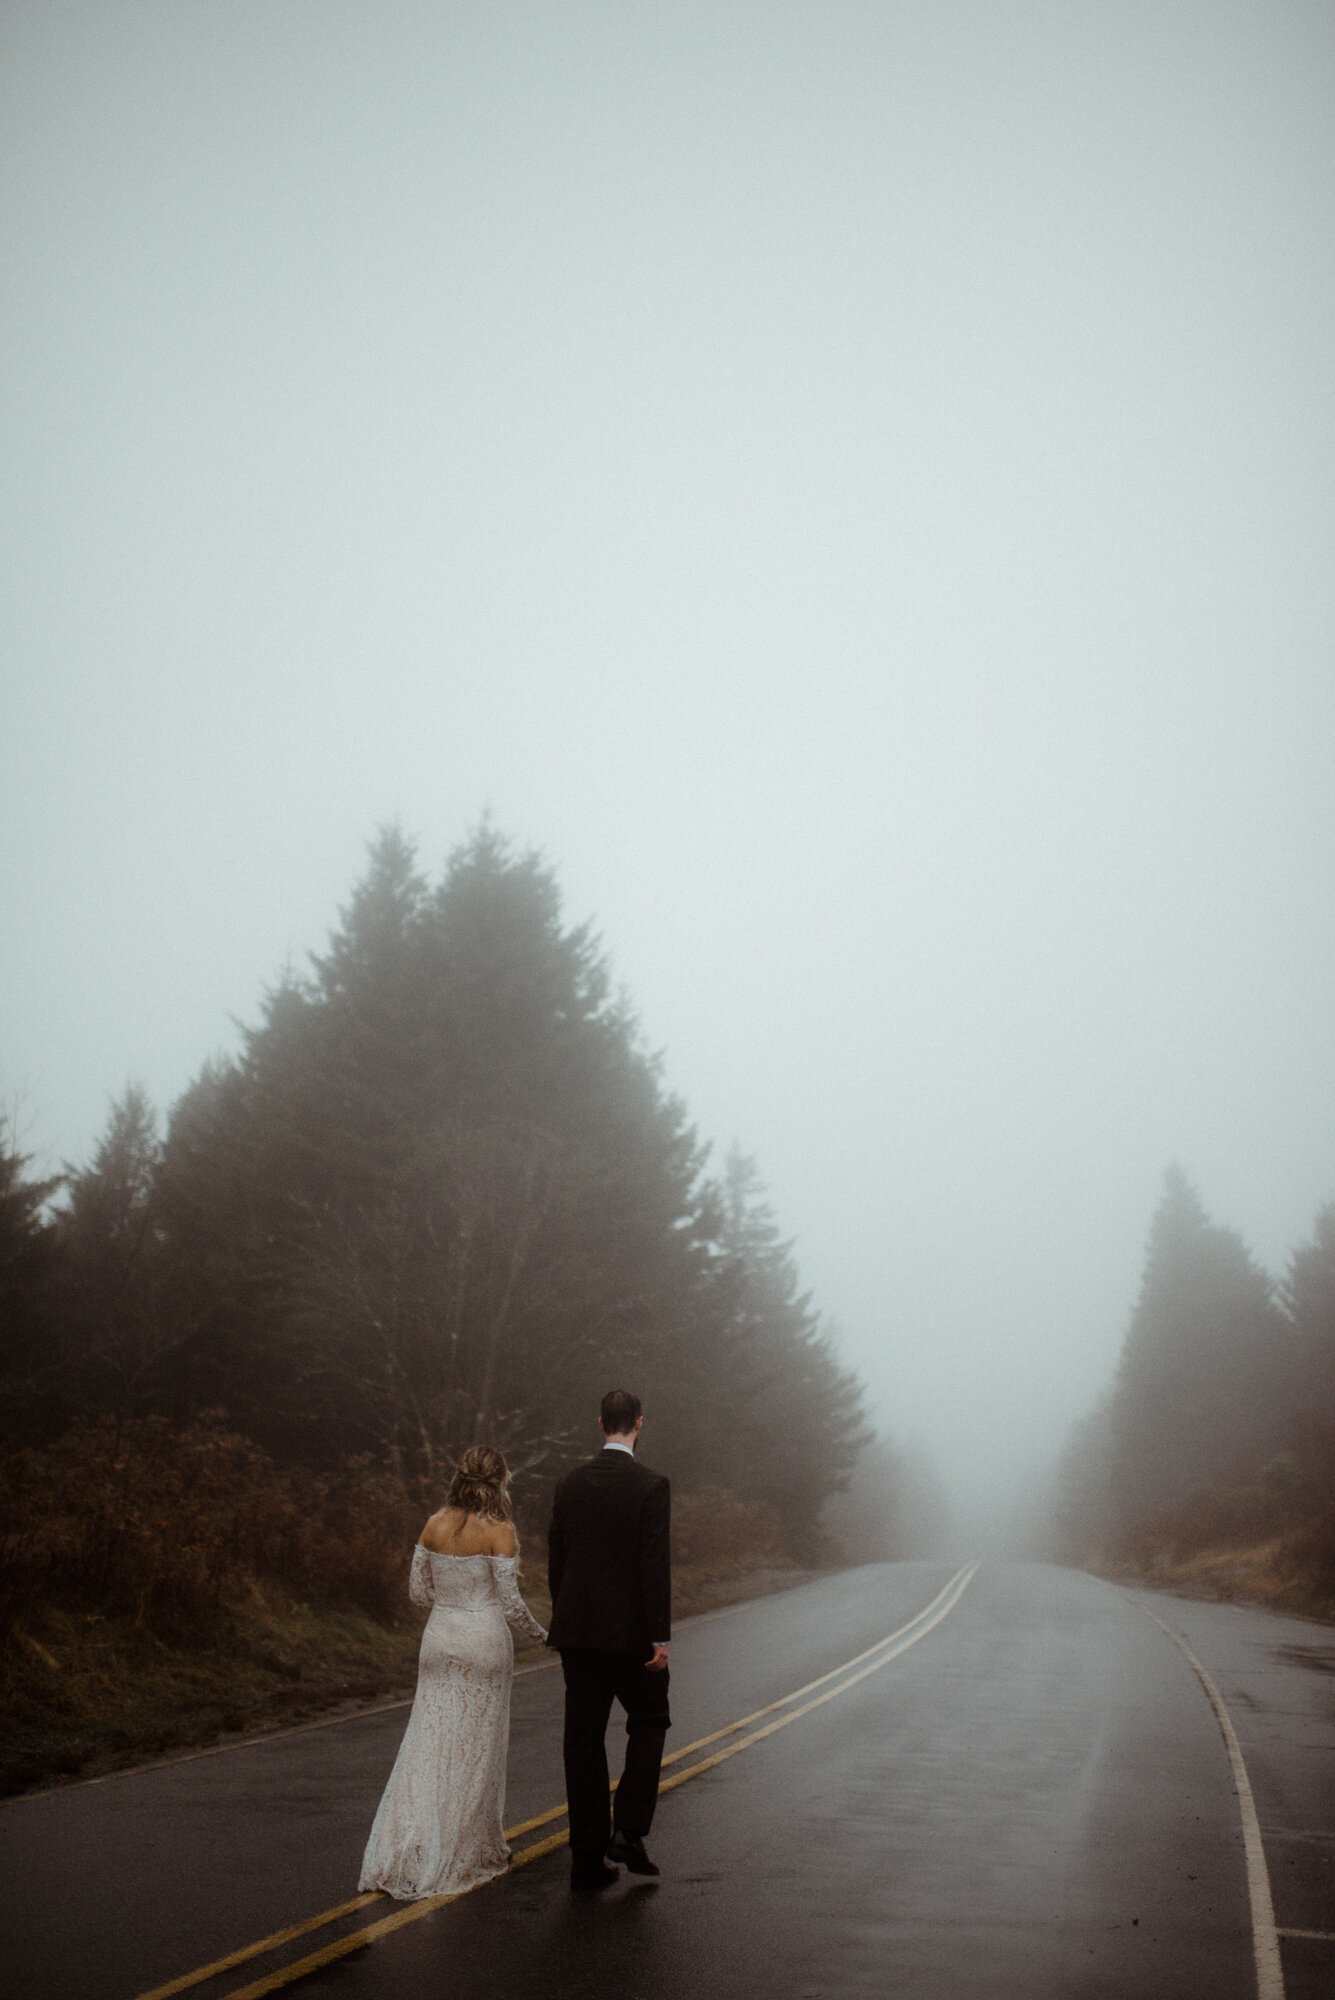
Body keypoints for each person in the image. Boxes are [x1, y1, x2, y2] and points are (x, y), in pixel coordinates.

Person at [359, 1445, 547, 1900]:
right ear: (500, 1480)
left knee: (429, 1742)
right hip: (484, 1642)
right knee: (476, 1748)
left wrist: (451, 1604)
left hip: (439, 1640)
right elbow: (510, 1603)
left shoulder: (434, 1524)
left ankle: (414, 1845)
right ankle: (470, 1847)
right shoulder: (501, 1531)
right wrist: (543, 1636)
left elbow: (417, 1594)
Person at [547, 1388, 671, 1892]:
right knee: (649, 1720)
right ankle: (629, 1831)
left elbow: (558, 1559)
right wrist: (659, 1637)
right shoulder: (651, 1485)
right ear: (638, 1424)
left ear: (601, 1424)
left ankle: (585, 1857)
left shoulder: (569, 1484)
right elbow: (652, 1565)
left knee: (582, 1738)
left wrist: (567, 1617)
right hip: (631, 1637)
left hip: (578, 1634)